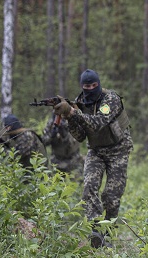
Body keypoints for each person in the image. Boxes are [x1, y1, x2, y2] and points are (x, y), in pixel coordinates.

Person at [55, 69, 132, 248]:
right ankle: (96, 231)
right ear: (82, 86)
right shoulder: (79, 102)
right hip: (96, 151)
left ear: (98, 84)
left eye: (93, 85)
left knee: (111, 197)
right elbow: (80, 136)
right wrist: (68, 117)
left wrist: (74, 113)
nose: (90, 89)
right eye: (86, 86)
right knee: (89, 187)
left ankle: (109, 234)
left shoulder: (110, 99)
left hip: (118, 151)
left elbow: (98, 123)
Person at [40, 113, 84, 178]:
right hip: (58, 162)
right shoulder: (52, 123)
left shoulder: (73, 118)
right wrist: (52, 135)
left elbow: (82, 135)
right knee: (57, 185)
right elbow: (44, 141)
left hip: (75, 160)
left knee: (77, 185)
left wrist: (66, 129)